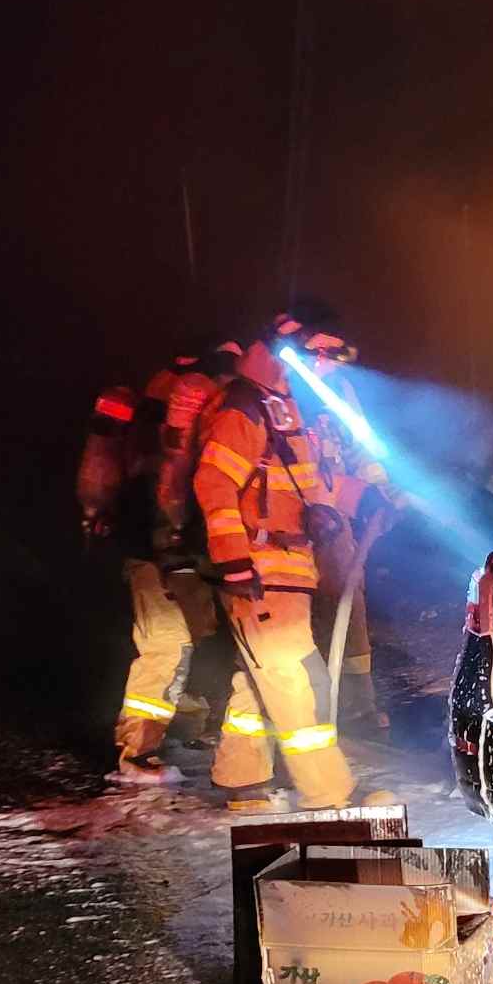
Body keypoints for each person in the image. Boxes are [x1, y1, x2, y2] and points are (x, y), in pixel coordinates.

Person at [193, 311, 363, 811]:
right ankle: (327, 794)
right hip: (261, 572)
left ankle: (242, 781)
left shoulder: (285, 407)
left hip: (286, 569)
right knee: (296, 678)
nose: (331, 367)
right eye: (325, 354)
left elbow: (302, 488)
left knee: (260, 677)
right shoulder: (247, 406)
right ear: (298, 352)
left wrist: (343, 508)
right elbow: (213, 482)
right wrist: (235, 562)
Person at [101, 343, 234, 784]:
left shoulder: (161, 418)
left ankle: (176, 731)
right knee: (165, 643)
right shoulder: (184, 420)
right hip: (156, 553)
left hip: (174, 550)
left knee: (191, 638)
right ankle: (137, 752)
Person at [303, 364, 408, 732]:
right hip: (293, 531)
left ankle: (357, 706)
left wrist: (380, 495)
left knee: (349, 605)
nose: (329, 361)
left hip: (333, 527)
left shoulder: (334, 391)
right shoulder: (278, 402)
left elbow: (360, 456)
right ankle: (312, 708)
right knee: (295, 624)